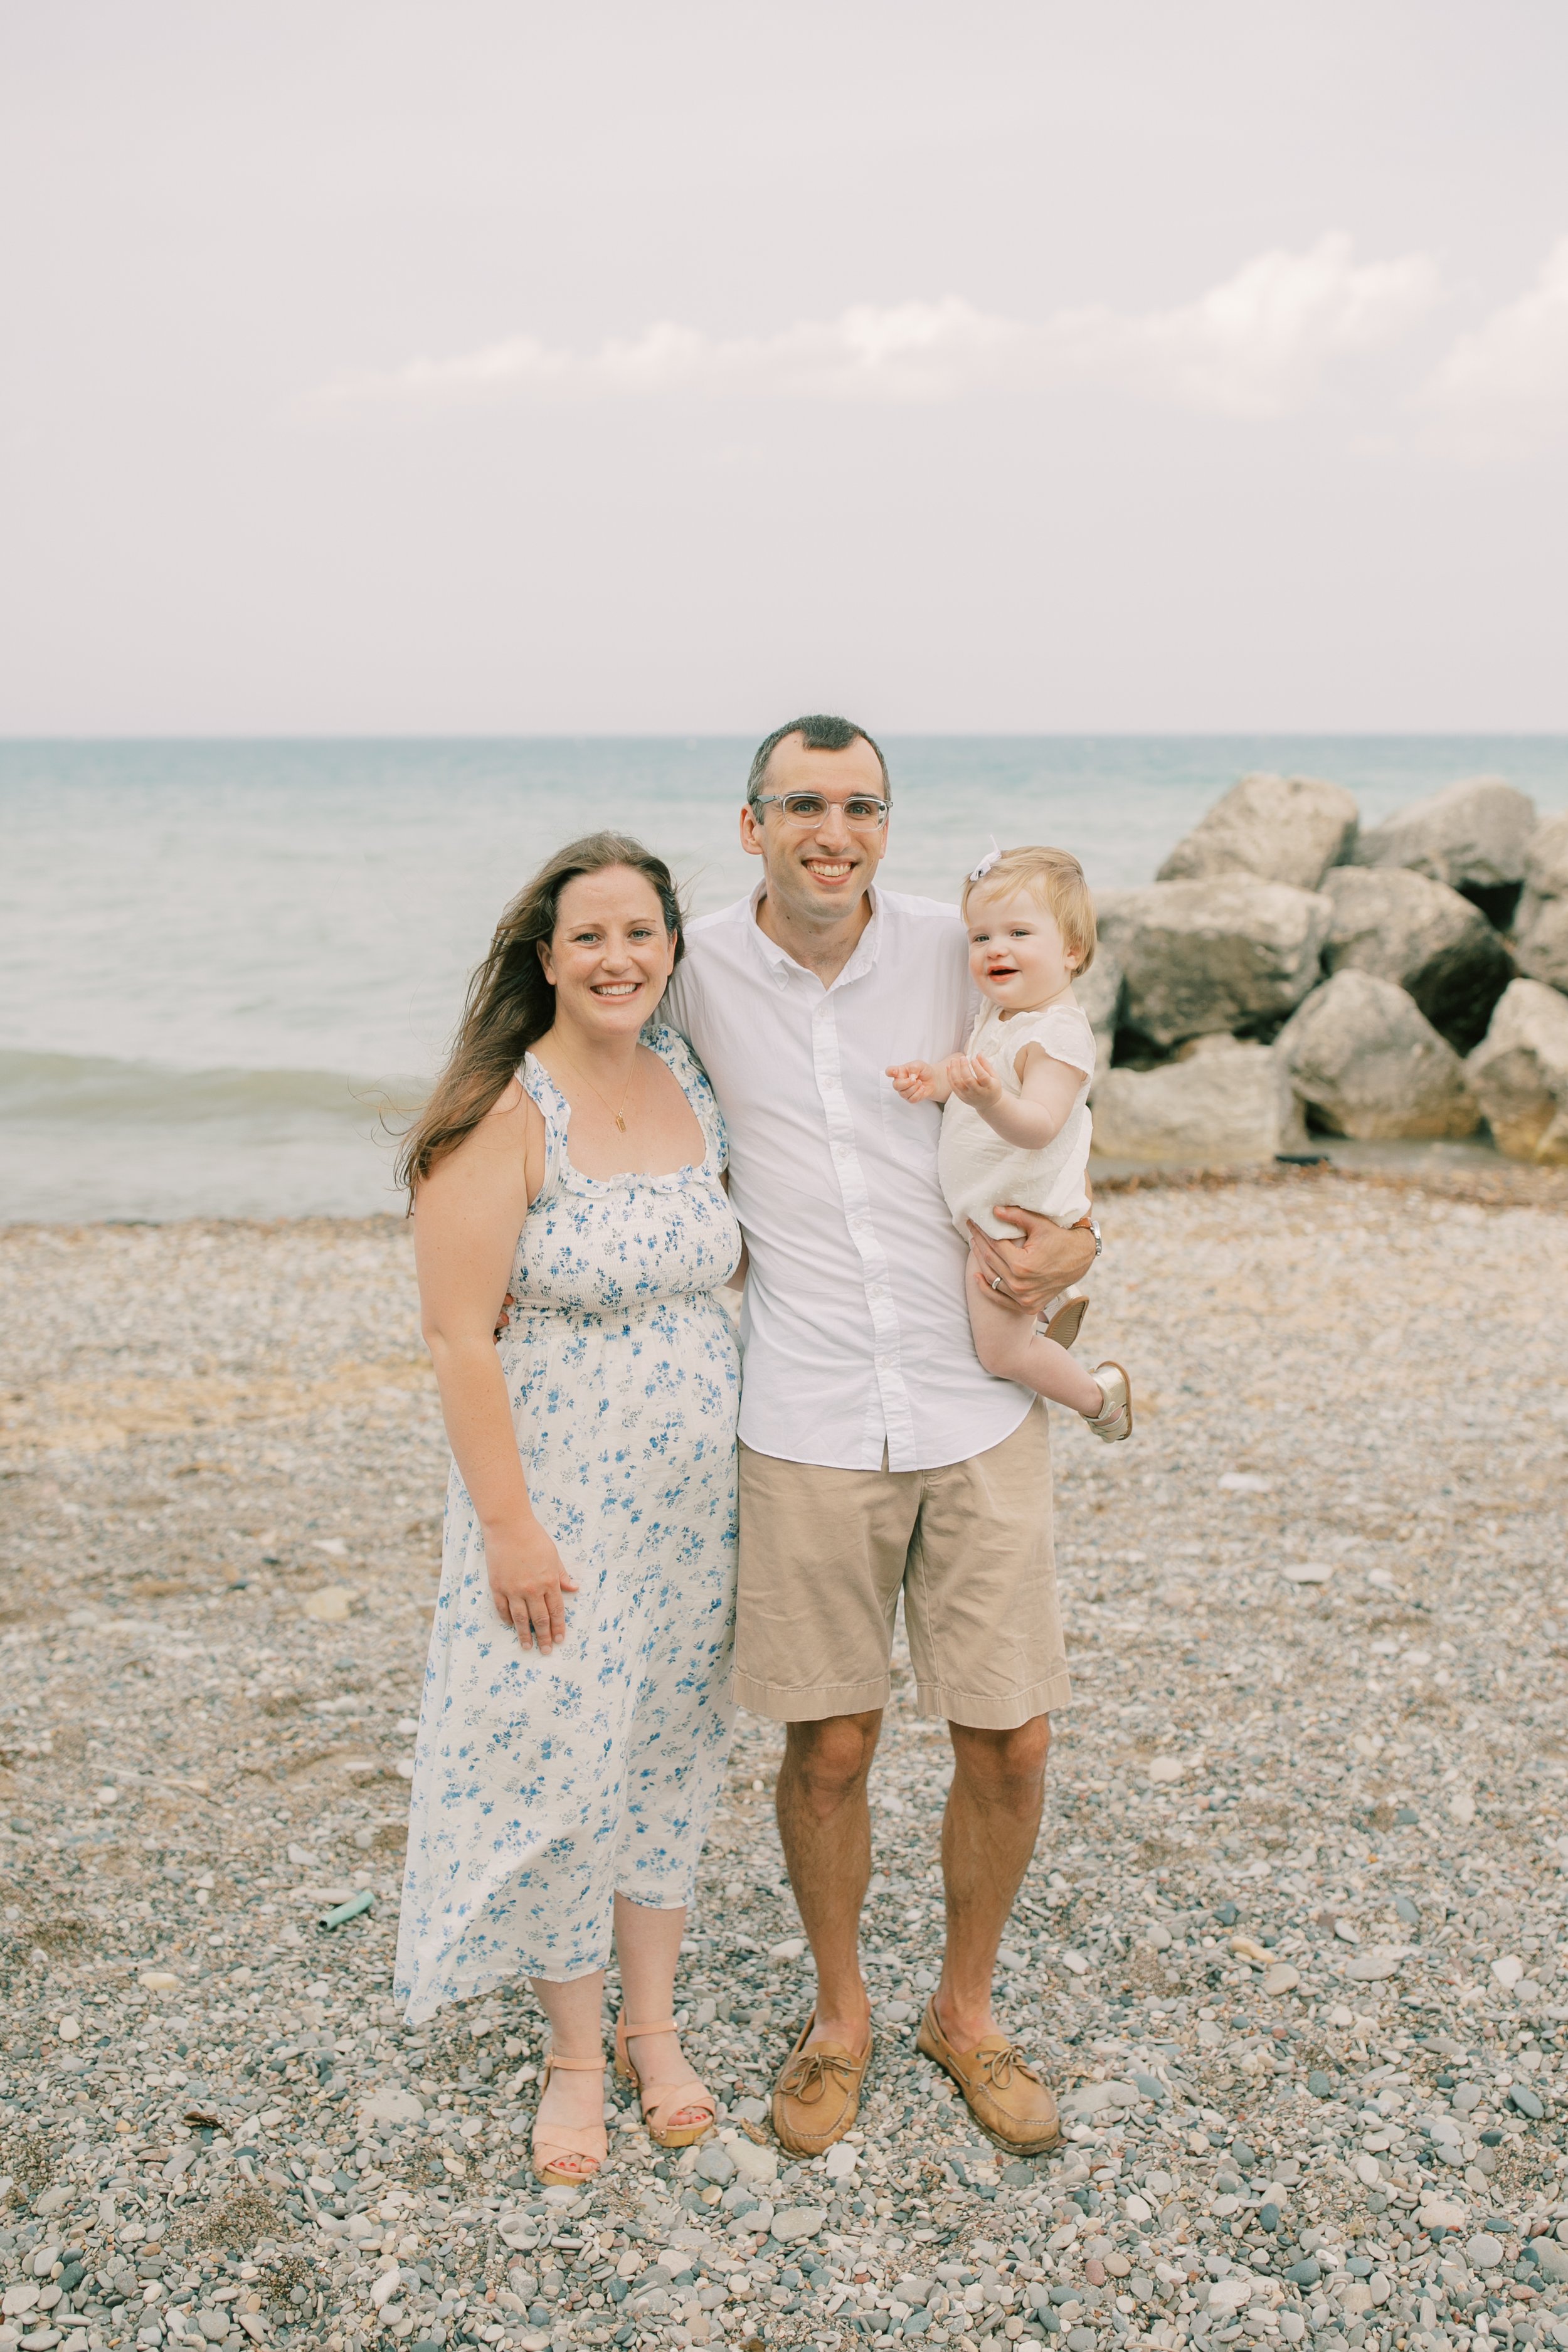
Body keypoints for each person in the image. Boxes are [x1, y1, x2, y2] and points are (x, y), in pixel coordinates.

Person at [662, 715, 1097, 2159]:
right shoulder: (698, 966)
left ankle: (963, 2007)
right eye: (801, 803)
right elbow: (587, 1058)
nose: (829, 829)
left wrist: (1077, 1247)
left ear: (886, 826)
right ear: (751, 825)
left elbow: (1064, 1134)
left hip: (977, 1399)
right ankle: (840, 2011)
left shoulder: (959, 947)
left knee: (1013, 1734)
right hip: (805, 1408)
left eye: (858, 804)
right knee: (832, 1738)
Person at [393, 832, 742, 2185]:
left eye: (641, 935)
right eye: (589, 937)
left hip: (697, 1509)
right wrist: (509, 1528)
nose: (618, 959)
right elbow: (455, 1336)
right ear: (544, 957)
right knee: (558, 1768)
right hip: (559, 1512)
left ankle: (653, 2031)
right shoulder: (502, 1111)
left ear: (670, 950)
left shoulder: (692, 1081)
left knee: (663, 1754)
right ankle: (575, 2058)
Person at [887, 841, 1132, 1439]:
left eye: (1019, 932)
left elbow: (1040, 1123)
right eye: (981, 937)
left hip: (1012, 1219)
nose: (996, 948)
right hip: (996, 1202)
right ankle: (1056, 1299)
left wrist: (992, 1101)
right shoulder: (1005, 1014)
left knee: (1002, 1353)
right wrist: (937, 1079)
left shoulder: (1058, 1036)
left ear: (1072, 951)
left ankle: (1101, 1398)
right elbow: (974, 1070)